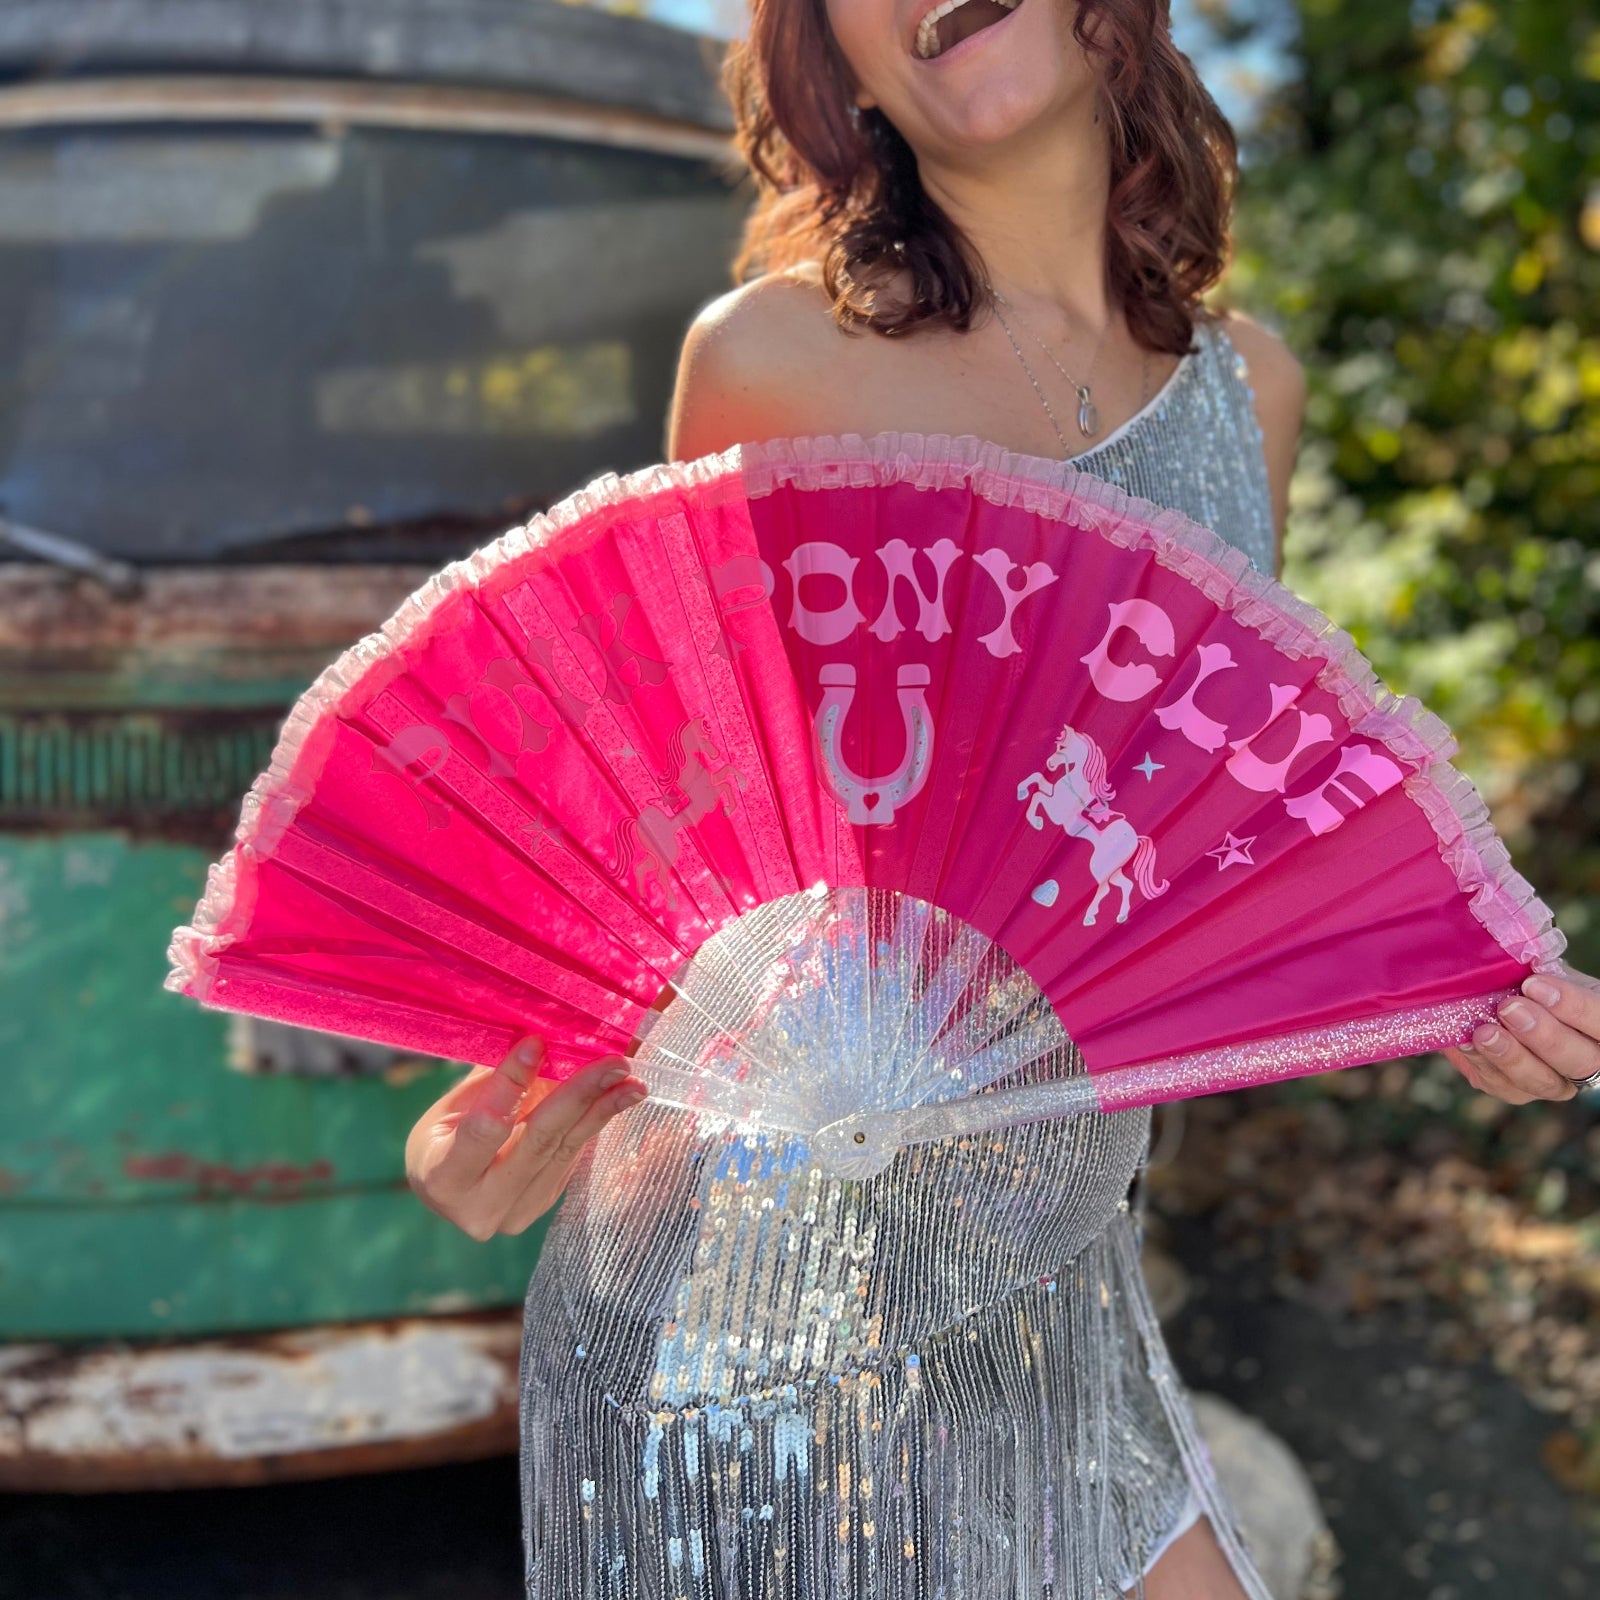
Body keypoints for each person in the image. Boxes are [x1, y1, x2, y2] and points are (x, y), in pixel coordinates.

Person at [405, 3, 1600, 1595]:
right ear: (844, 66)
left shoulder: (1256, 395)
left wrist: (1447, 990)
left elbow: (1203, 852)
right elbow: (666, 825)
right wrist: (494, 1097)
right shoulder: (772, 363)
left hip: (1058, 1274)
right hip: (756, 1307)